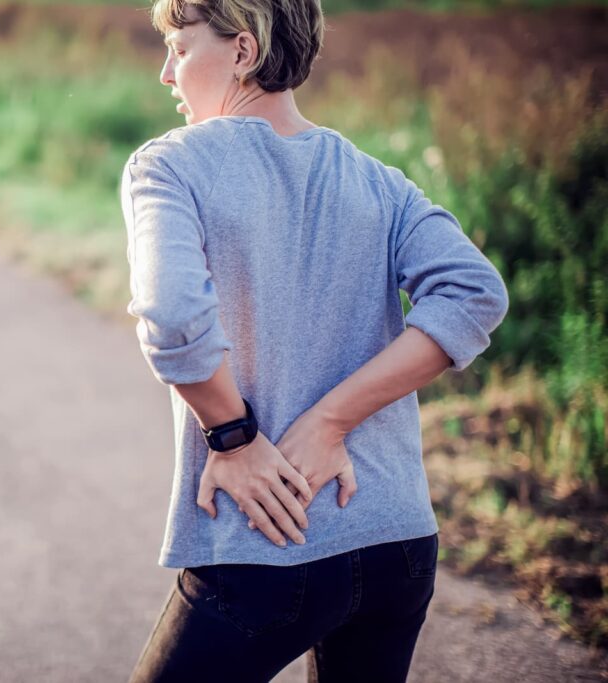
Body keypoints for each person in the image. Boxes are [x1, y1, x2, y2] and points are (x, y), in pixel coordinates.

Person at [118, 0, 510, 681]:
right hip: (399, 543)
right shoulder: (379, 181)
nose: (165, 73)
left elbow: (173, 317)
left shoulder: (169, 166)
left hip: (266, 542)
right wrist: (335, 422)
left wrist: (233, 438)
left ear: (242, 52)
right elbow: (476, 293)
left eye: (179, 49)